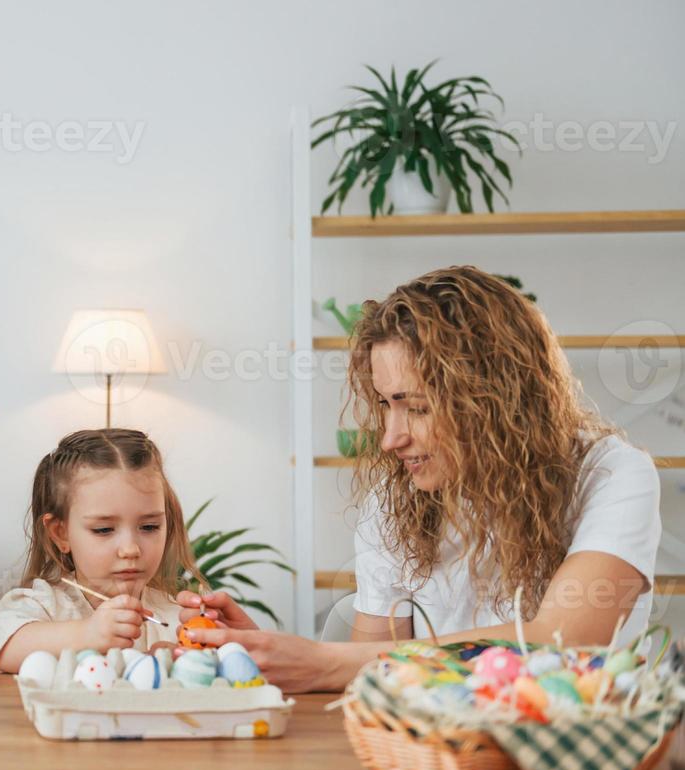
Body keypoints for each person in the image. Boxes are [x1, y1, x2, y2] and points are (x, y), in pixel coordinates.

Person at [183, 267, 660, 692]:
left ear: (494, 400)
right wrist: (263, 657)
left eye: (418, 408)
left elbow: (563, 640)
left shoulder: (611, 476)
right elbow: (370, 681)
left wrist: (328, 662)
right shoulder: (396, 504)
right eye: (386, 404)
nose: (390, 439)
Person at [0, 429, 208, 673]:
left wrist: (192, 663)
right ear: (60, 533)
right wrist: (88, 633)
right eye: (104, 529)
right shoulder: (44, 606)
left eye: (149, 527)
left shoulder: (176, 617)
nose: (130, 549)